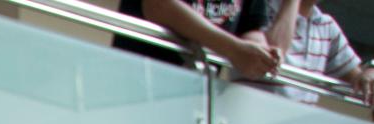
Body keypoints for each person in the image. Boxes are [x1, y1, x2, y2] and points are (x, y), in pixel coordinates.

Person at [267, 0, 374, 102]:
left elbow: (359, 79)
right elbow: (275, 52)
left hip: (300, 122)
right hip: (262, 118)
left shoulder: (326, 25)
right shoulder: (262, 9)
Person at [122, 0, 284, 77]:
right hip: (141, 83)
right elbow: (158, 6)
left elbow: (251, 27)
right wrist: (232, 49)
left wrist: (263, 53)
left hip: (199, 100)